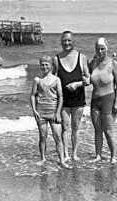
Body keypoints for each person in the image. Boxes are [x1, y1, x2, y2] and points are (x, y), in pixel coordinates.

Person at [52, 30, 90, 162]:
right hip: (63, 100)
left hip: (78, 98)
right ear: (61, 42)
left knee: (76, 127)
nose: (67, 43)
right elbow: (53, 79)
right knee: (65, 127)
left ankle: (74, 154)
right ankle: (66, 154)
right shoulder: (56, 59)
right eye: (64, 41)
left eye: (69, 40)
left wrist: (77, 84)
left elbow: (88, 79)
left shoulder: (82, 57)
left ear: (74, 41)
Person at [30, 55, 70, 169]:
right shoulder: (37, 80)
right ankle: (43, 158)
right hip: (41, 112)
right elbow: (32, 96)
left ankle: (62, 160)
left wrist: (58, 113)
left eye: (46, 64)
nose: (44, 66)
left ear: (51, 66)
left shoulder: (57, 80)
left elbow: (61, 97)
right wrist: (34, 110)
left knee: (57, 136)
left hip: (54, 112)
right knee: (43, 136)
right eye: (42, 64)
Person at [88, 37, 117, 164]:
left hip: (108, 99)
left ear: (106, 49)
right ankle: (98, 155)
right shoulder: (93, 63)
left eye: (102, 49)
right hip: (95, 100)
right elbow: (85, 75)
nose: (100, 51)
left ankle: (113, 157)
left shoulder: (113, 63)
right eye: (97, 49)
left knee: (108, 131)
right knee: (97, 131)